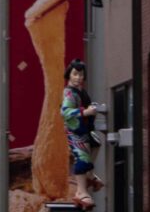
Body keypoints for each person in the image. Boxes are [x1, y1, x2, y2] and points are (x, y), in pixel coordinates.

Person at [60, 60, 101, 208]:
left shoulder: (81, 91)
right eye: (75, 74)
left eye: (81, 74)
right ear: (69, 75)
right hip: (76, 131)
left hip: (85, 129)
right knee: (82, 159)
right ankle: (81, 192)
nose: (78, 77)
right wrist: (85, 111)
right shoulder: (69, 93)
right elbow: (65, 112)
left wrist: (91, 108)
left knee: (96, 144)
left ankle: (89, 175)